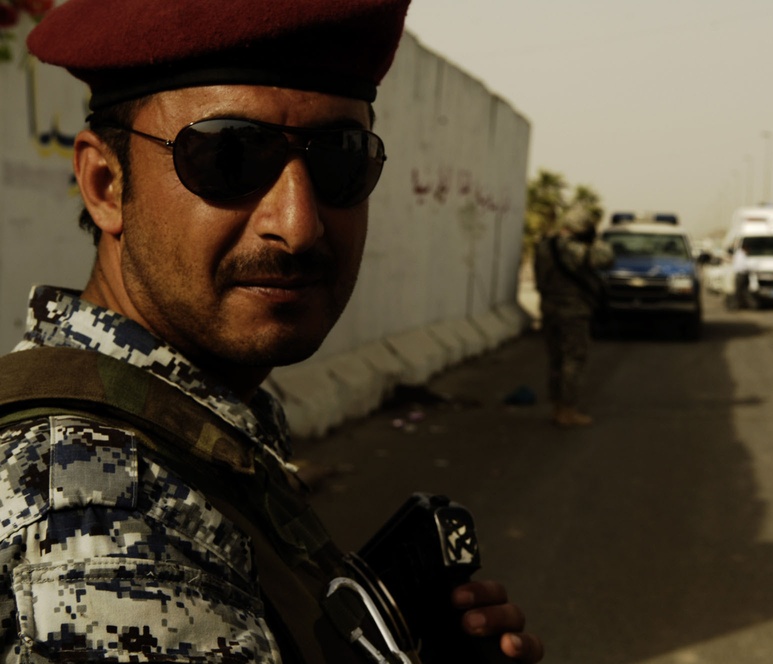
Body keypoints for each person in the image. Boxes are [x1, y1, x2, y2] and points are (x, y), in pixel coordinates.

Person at [0, 1, 544, 662]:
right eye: (230, 156)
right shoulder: (103, 511)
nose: (299, 224)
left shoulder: (186, 428)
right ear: (106, 184)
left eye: (341, 160)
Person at [533, 205, 613, 428]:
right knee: (573, 359)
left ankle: (557, 407)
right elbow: (606, 258)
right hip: (573, 311)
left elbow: (539, 278)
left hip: (549, 308)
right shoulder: (575, 249)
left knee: (556, 360)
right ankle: (568, 410)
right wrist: (593, 240)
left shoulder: (543, 246)